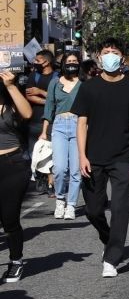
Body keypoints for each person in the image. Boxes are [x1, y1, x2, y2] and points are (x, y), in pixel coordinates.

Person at [75, 38, 129, 278]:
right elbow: (81, 123)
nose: (110, 56)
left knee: (120, 209)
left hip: (122, 157)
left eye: (114, 52)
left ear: (122, 57)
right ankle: (109, 238)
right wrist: (82, 155)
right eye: (105, 52)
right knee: (93, 210)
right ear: (98, 57)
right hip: (93, 158)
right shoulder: (88, 87)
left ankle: (112, 258)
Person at [41, 50, 84, 220]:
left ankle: (71, 205)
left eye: (75, 61)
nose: (72, 63)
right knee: (59, 168)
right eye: (69, 61)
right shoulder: (54, 83)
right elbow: (49, 108)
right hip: (58, 125)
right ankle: (60, 200)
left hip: (78, 125)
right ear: (63, 63)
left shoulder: (83, 84)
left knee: (75, 170)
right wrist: (44, 132)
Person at [1, 70, 33, 283]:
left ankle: (16, 261)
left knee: (9, 218)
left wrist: (11, 86)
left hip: (13, 165)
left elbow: (28, 113)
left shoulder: (11, 104)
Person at [22, 49, 55, 194]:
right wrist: (49, 100)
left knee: (50, 153)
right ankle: (40, 178)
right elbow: (29, 96)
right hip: (34, 121)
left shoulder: (57, 76)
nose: (34, 62)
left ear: (46, 62)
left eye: (37, 60)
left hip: (51, 121)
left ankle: (51, 182)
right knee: (33, 153)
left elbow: (59, 97)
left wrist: (41, 92)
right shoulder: (33, 76)